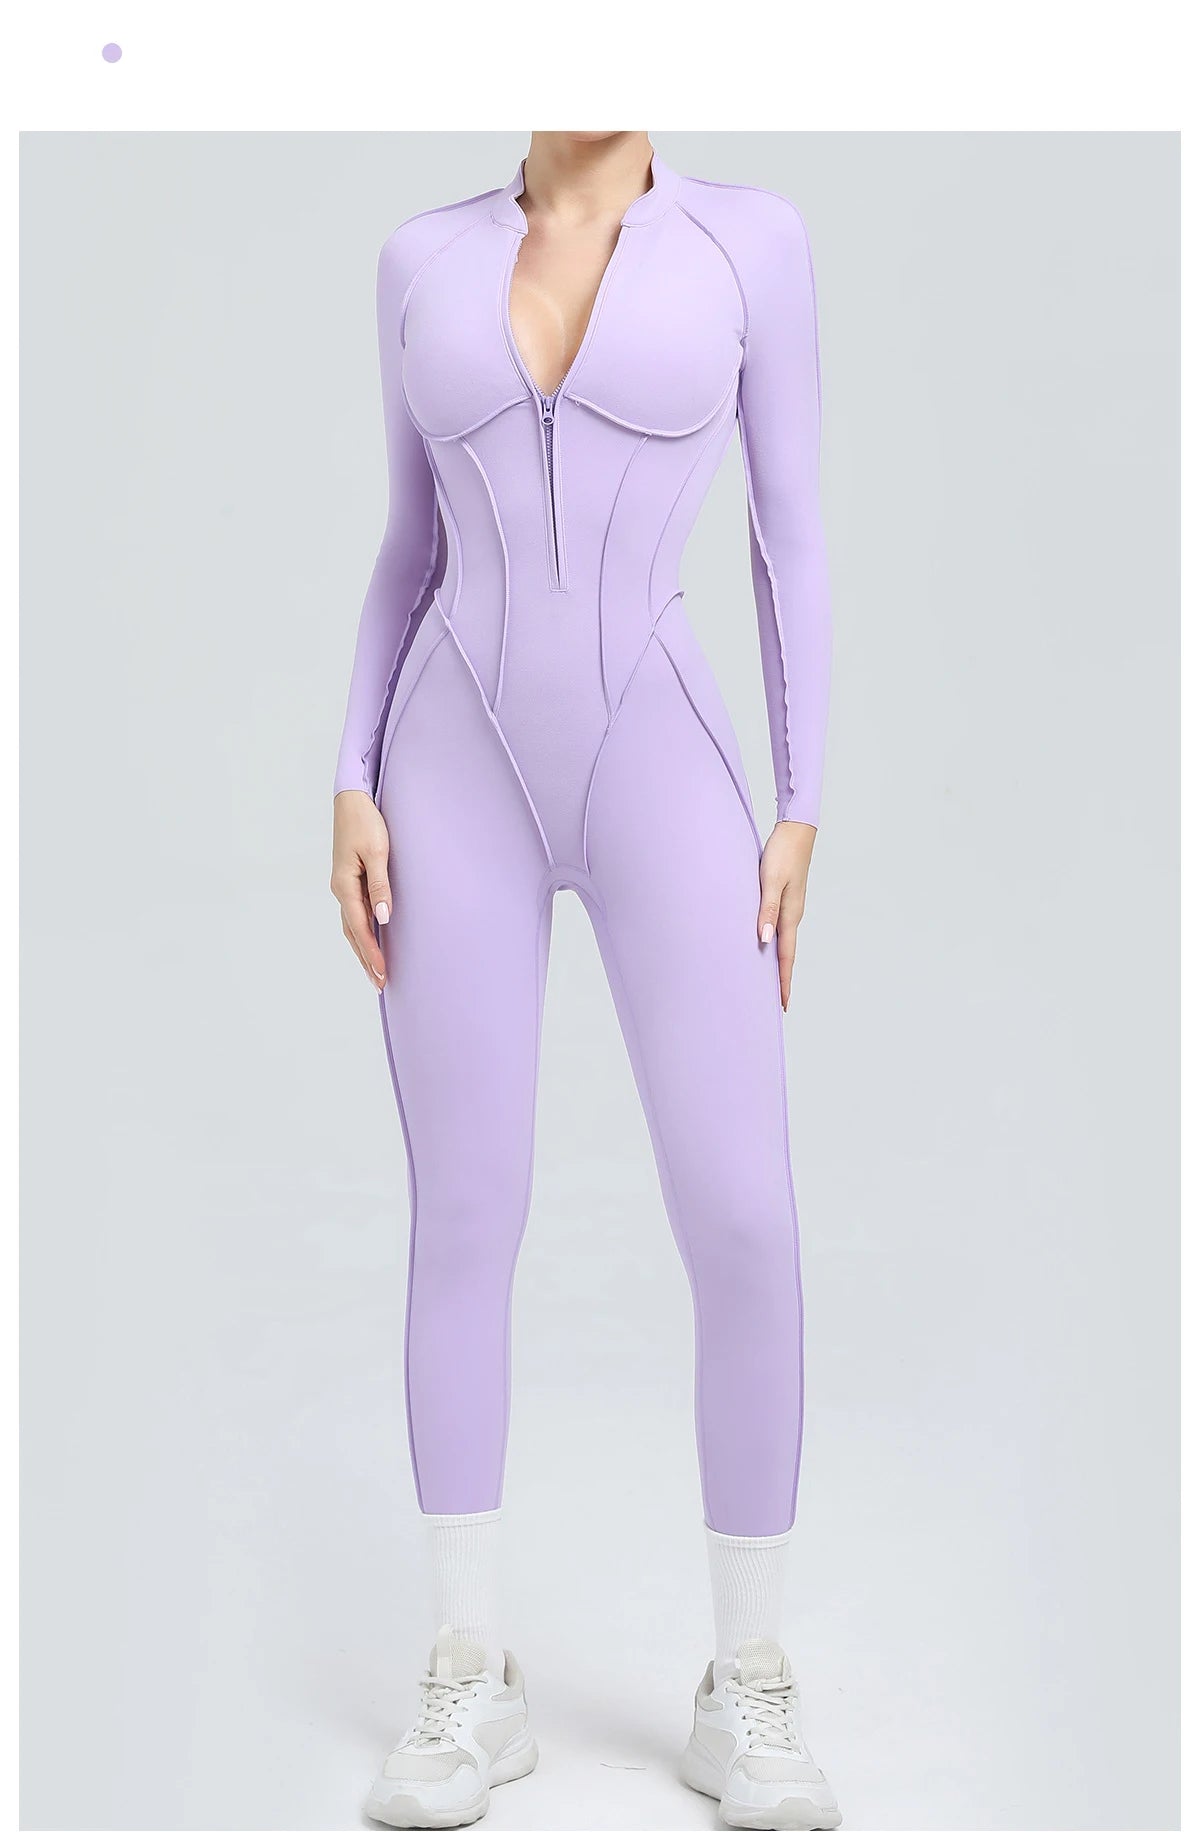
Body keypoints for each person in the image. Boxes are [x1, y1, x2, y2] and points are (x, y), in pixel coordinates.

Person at [331, 130, 840, 1832]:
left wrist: (801, 799)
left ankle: (747, 1681)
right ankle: (470, 1673)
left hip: (661, 758)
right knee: (465, 1211)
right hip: (447, 764)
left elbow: (788, 535)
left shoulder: (752, 241)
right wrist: (349, 773)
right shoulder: (421, 257)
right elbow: (408, 547)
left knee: (743, 1215)